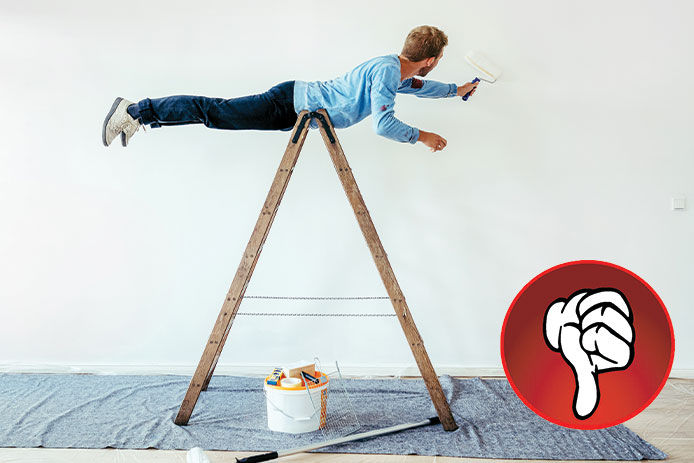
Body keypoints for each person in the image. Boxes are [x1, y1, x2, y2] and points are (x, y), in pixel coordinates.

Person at [102, 25, 478, 153]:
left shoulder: (392, 70)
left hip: (293, 106)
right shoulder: (385, 74)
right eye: (440, 56)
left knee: (215, 118)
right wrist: (422, 136)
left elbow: (417, 86)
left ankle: (143, 118)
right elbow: (383, 125)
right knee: (213, 112)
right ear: (430, 57)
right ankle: (137, 111)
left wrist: (455, 90)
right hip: (289, 104)